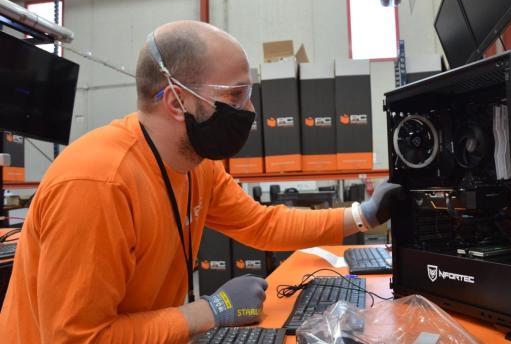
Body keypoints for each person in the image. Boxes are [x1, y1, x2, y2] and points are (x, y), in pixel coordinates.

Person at [0, 20, 402, 343]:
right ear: (176, 101)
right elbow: (77, 339)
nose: (250, 110)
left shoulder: (198, 167)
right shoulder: (98, 184)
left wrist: (362, 215)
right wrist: (208, 312)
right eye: (236, 95)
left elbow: (264, 224)